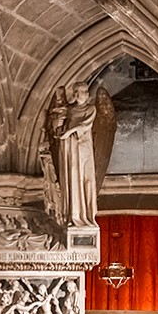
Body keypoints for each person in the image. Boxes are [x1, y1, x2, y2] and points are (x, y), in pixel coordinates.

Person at [52, 83, 99, 226]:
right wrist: (58, 124)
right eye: (84, 91)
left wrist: (69, 132)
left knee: (83, 178)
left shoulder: (91, 108)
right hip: (68, 147)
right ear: (76, 93)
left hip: (82, 148)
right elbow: (58, 126)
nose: (87, 94)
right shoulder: (70, 109)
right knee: (70, 178)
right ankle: (72, 215)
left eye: (87, 91)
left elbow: (85, 125)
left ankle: (83, 216)